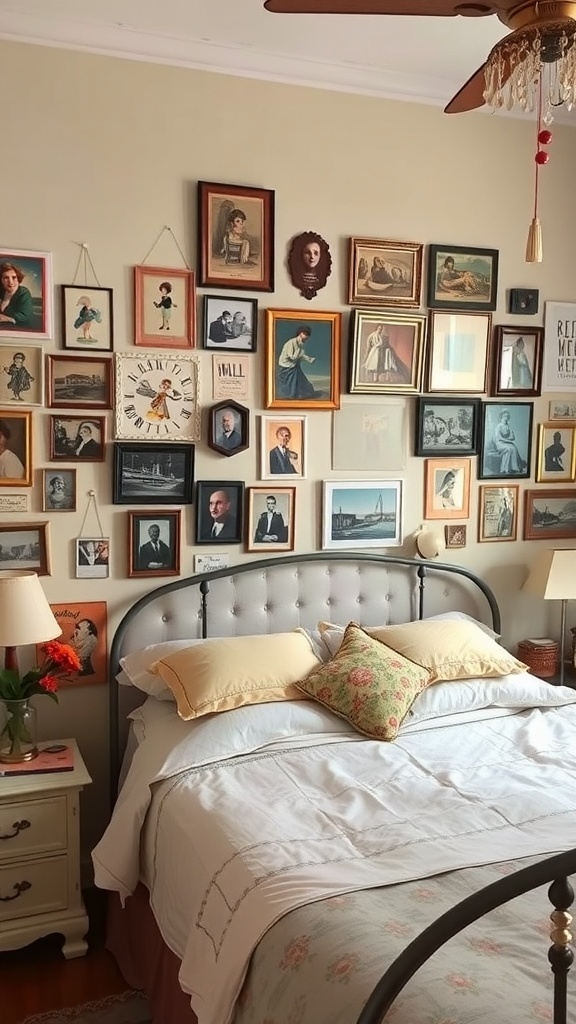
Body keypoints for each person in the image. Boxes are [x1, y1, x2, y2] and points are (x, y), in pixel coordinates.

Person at [276, 327, 317, 400]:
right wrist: (300, 351)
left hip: (293, 365)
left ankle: (300, 394)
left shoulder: (300, 344)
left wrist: (309, 359)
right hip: (286, 366)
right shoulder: (291, 342)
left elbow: (300, 355)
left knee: (301, 381)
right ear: (301, 334)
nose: (306, 338)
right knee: (292, 383)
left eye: (307, 336)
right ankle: (291, 396)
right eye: (305, 335)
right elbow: (292, 357)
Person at [0, 262, 34, 328]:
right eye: (6, 278)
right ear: (1, 280)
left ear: (18, 278)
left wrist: (7, 318)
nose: (11, 282)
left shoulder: (24, 292)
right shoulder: (2, 291)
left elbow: (25, 316)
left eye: (14, 277)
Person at [492, 409, 525, 475]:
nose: (506, 418)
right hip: (499, 443)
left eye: (507, 416)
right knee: (510, 448)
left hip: (506, 443)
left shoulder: (508, 426)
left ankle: (513, 468)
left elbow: (513, 438)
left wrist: (510, 437)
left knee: (513, 448)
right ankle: (505, 469)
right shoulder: (498, 426)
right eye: (505, 416)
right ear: (501, 417)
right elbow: (499, 438)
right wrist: (509, 441)